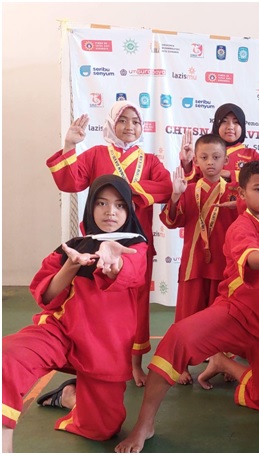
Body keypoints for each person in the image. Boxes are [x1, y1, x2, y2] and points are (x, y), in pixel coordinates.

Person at [115, 161, 259, 453]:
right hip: (235, 315)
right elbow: (253, 260)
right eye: (258, 189)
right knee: (177, 338)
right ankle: (144, 424)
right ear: (242, 193)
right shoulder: (240, 226)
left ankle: (223, 363)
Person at [2, 175, 148, 452]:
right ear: (90, 207)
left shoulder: (134, 245)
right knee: (6, 357)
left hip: (104, 346)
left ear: (129, 210)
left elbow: (132, 273)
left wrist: (113, 264)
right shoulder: (72, 246)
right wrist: (70, 266)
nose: (110, 211)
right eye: (101, 203)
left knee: (102, 429)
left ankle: (69, 396)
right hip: (61, 333)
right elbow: (46, 297)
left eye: (119, 205)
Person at [46, 101, 172, 387]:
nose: (129, 127)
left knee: (137, 302)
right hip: (97, 241)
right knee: (95, 301)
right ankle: (92, 360)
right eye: (123, 120)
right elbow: (69, 182)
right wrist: (69, 146)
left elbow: (165, 187)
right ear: (112, 124)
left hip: (134, 244)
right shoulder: (95, 154)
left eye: (135, 122)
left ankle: (134, 364)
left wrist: (128, 192)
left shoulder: (149, 161)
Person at [159, 134, 240, 384]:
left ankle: (224, 362)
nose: (210, 162)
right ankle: (180, 365)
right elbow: (171, 221)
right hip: (193, 264)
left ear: (225, 161)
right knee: (187, 317)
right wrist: (175, 196)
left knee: (223, 318)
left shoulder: (234, 192)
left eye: (216, 157)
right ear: (196, 160)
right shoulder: (188, 189)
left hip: (224, 265)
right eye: (204, 157)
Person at [180, 103, 259, 184]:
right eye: (224, 121)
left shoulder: (251, 155)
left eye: (236, 122)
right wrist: (187, 163)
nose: (230, 127)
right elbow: (190, 185)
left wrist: (230, 174)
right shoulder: (204, 152)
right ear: (217, 125)